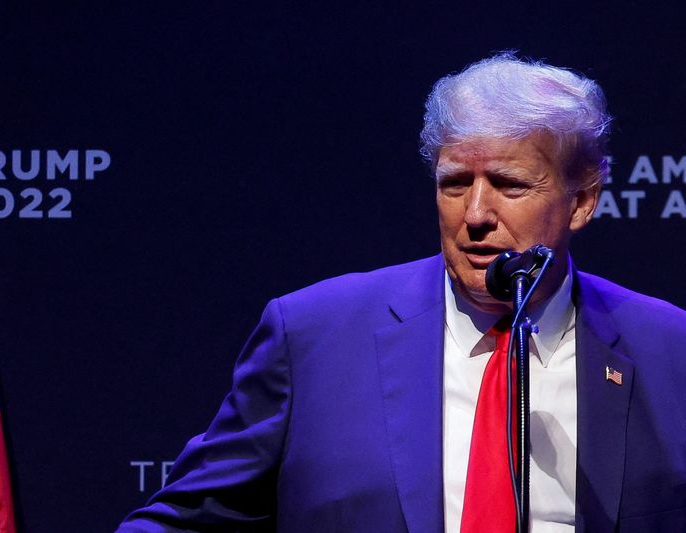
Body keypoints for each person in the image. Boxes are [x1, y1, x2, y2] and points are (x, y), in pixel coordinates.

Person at [116, 54, 686, 532]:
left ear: (582, 201)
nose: (477, 214)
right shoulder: (313, 337)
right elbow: (187, 521)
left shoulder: (669, 351)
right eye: (455, 183)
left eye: (511, 185)